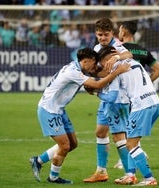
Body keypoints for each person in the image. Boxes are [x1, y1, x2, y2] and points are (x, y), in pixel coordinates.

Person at [29, 47, 130, 185]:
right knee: (64, 146)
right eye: (94, 64)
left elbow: (98, 76)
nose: (95, 67)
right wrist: (117, 72)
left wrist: (113, 68)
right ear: (86, 61)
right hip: (49, 110)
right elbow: (96, 83)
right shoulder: (73, 72)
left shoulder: (78, 68)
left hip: (59, 110)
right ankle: (53, 177)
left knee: (73, 144)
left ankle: (38, 160)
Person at [97, 45, 159, 186]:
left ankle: (149, 179)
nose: (105, 67)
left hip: (141, 106)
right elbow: (128, 55)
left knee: (131, 144)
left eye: (104, 63)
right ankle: (130, 175)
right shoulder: (134, 62)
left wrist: (97, 93)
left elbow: (112, 97)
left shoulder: (117, 69)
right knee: (133, 141)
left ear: (111, 57)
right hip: (155, 103)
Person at [83, 17, 136, 184]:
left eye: (106, 35)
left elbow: (130, 53)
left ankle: (130, 175)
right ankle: (101, 172)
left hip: (118, 98)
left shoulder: (118, 47)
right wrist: (100, 78)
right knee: (100, 132)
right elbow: (97, 71)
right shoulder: (98, 48)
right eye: (99, 35)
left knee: (119, 137)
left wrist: (117, 58)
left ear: (112, 33)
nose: (102, 38)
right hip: (106, 96)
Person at [113, 20, 159, 169]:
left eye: (120, 30)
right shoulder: (142, 50)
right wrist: (145, 83)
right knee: (132, 128)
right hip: (143, 96)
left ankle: (131, 159)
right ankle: (136, 154)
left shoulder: (119, 50)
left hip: (126, 95)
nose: (118, 33)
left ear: (125, 31)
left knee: (127, 128)